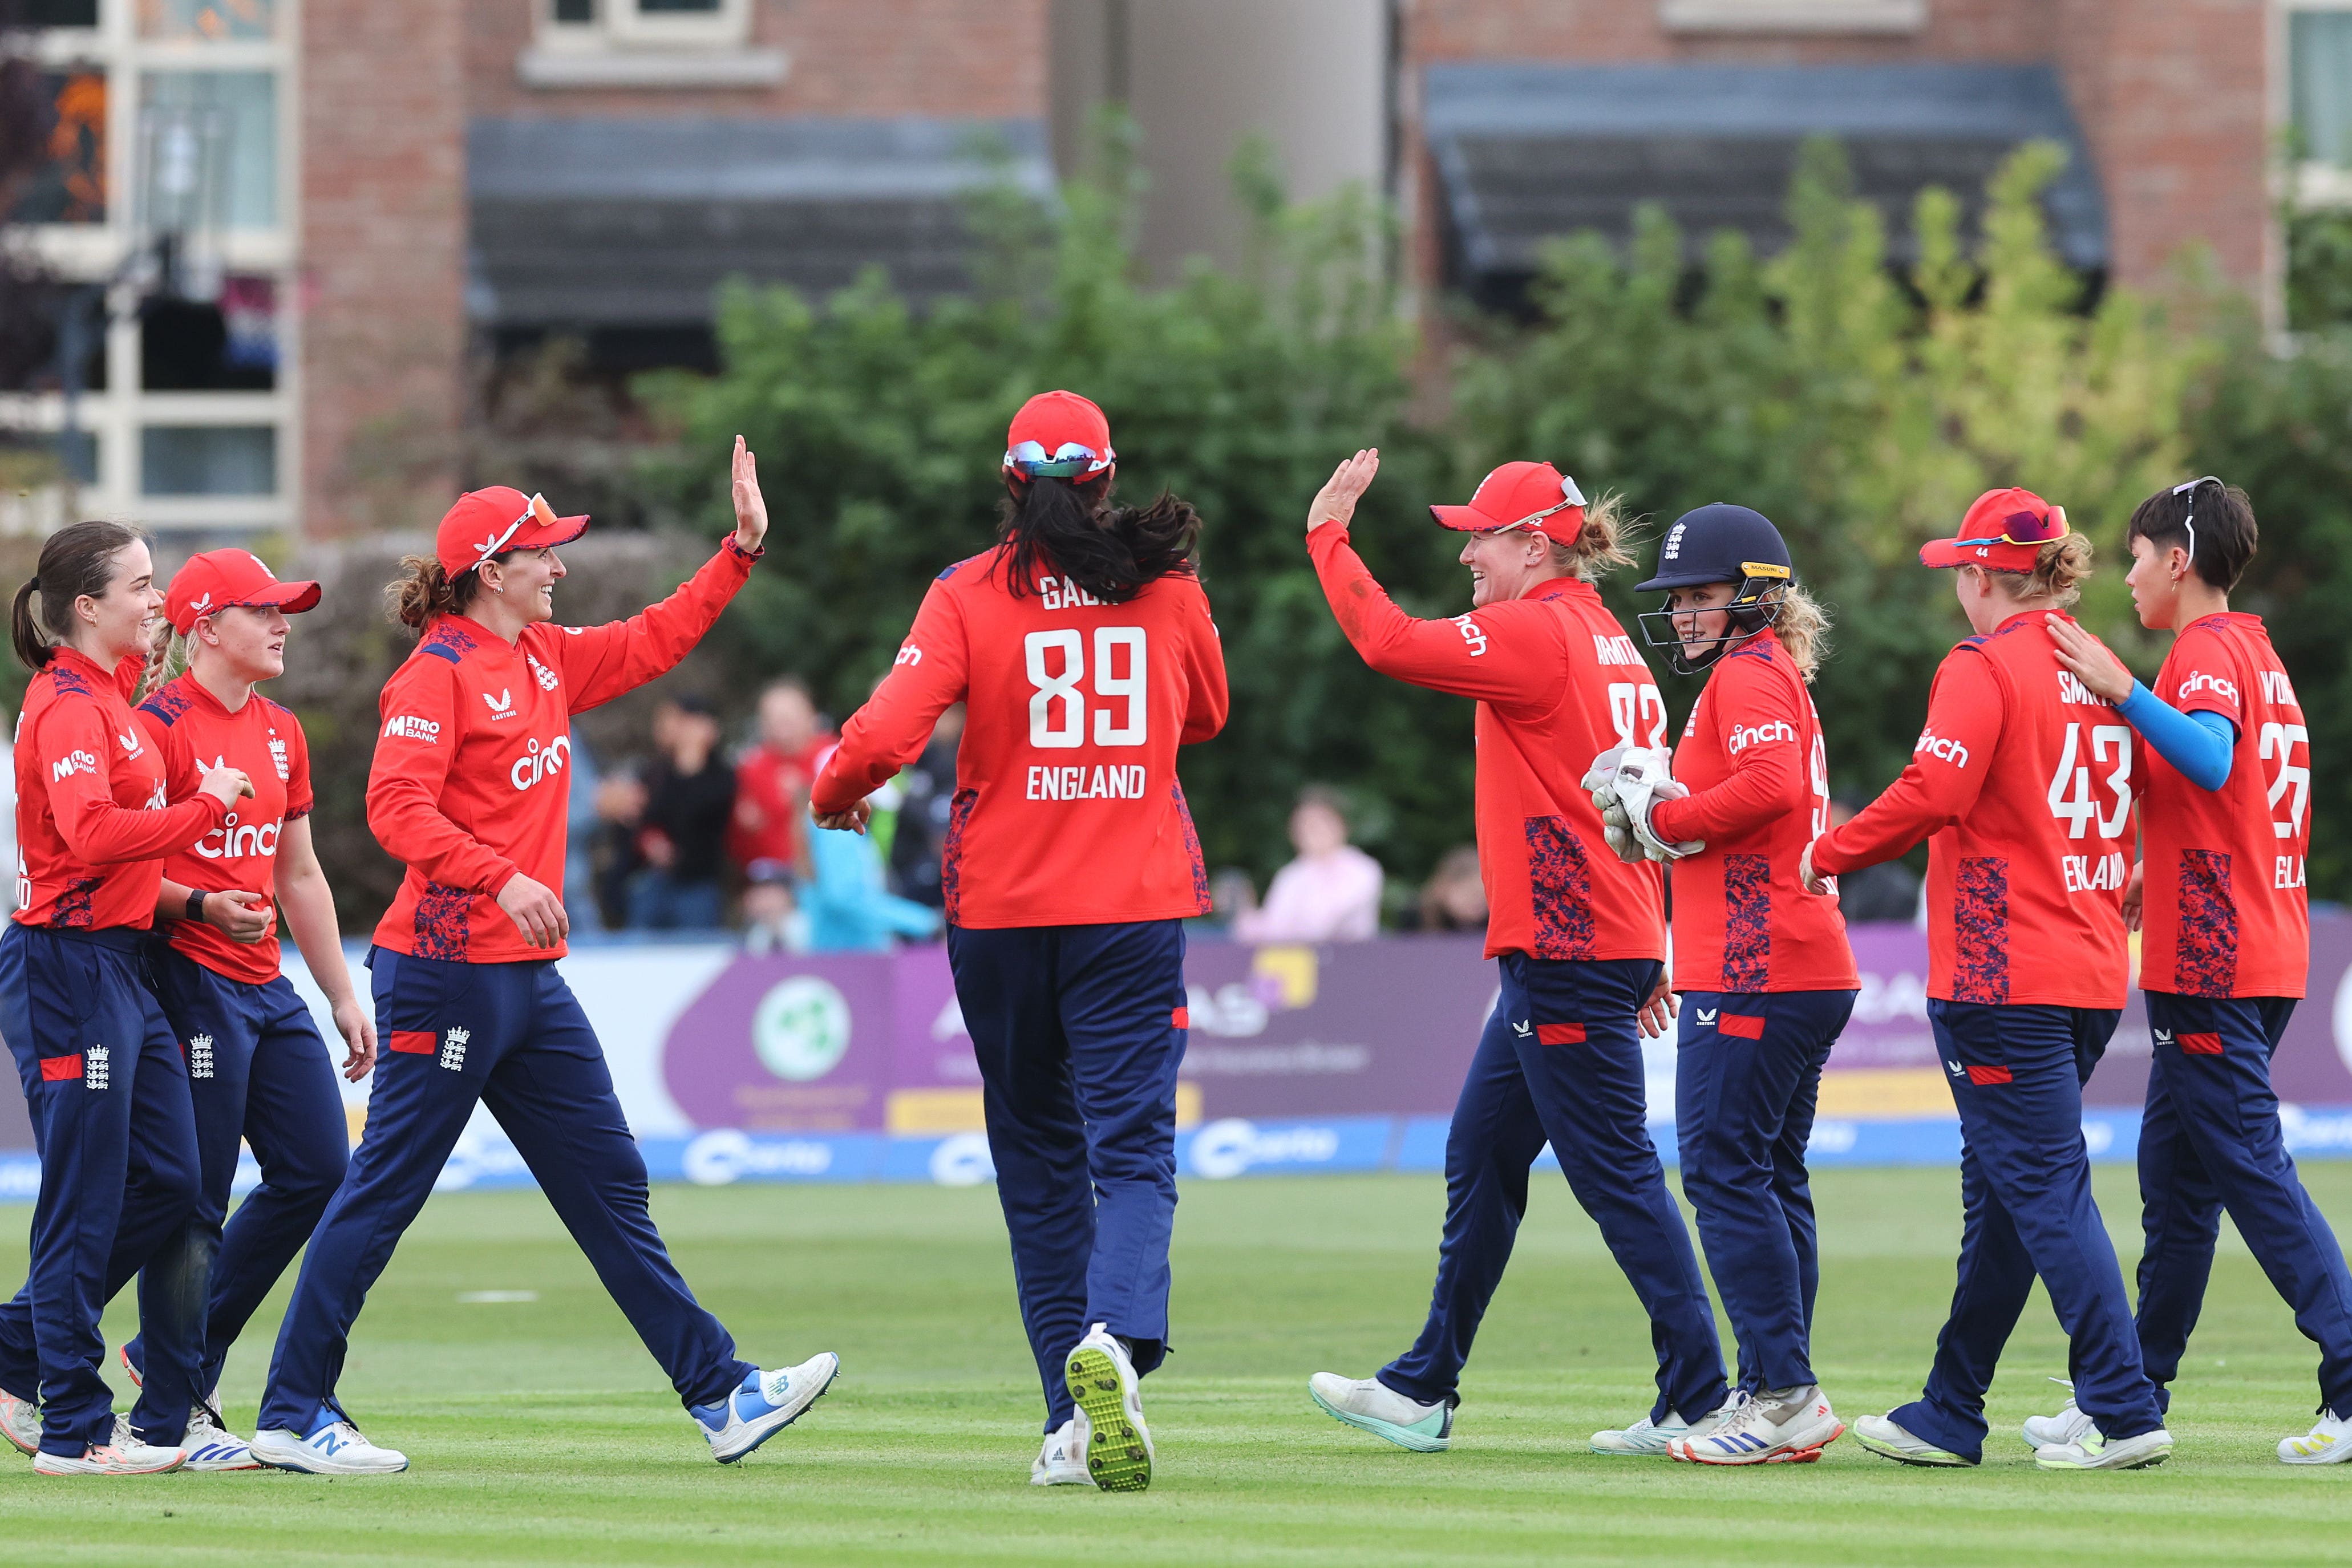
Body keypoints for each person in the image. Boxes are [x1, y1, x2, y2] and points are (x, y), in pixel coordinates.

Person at [250, 445, 837, 1475]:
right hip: (445, 968)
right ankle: (294, 1407)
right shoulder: (432, 675)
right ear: (490, 569)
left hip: (525, 975)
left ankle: (720, 1391)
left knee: (609, 1179)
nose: (559, 565)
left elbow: (657, 639)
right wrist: (499, 875)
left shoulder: (545, 656)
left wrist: (737, 552)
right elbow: (395, 807)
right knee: (385, 1187)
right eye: (542, 552)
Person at [809, 390, 1227, 1492]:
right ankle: (1115, 1340)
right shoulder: (1167, 590)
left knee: (1038, 1162)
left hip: (999, 914)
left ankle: (1064, 1416)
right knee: (1132, 1150)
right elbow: (1210, 713)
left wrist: (832, 790)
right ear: (1106, 477)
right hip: (1130, 907)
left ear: (1010, 481)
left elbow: (883, 735)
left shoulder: (964, 591)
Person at [1298, 452, 1730, 1460]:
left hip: (1567, 938)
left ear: (1534, 544)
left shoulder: (1538, 630)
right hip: (1595, 933)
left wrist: (1328, 532)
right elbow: (1634, 798)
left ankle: (1703, 1393)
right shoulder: (1606, 636)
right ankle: (1420, 1387)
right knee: (1483, 1154)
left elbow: (1387, 640)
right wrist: (1648, 940)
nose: (1464, 551)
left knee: (1613, 1168)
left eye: (1479, 535)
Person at [1802, 487, 2173, 1472]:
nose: (1957, 589)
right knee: (2007, 1193)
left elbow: (1935, 788)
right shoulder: (2097, 667)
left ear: (1978, 575)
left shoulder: (1982, 664)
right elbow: (2151, 785)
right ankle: (1949, 1407)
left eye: (1959, 573)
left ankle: (2122, 1404)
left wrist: (1829, 851)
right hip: (2091, 966)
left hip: (2001, 970)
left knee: (2039, 1187)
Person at [2039, 478, 2352, 1466]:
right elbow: (2240, 794)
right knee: (2175, 1189)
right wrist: (2153, 858)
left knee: (2249, 1171)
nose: (2126, 575)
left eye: (2134, 555)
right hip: (2255, 944)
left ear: (2178, 558)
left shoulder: (2203, 650)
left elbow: (2212, 759)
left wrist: (2115, 683)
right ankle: (2127, 1394)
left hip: (2213, 958)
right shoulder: (2254, 650)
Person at [95, 551, 378, 1474]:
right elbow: (118, 864)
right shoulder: (154, 728)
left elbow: (297, 870)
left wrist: (341, 991)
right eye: (266, 610)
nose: (284, 623)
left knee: (317, 1166)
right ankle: (165, 1416)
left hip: (264, 983)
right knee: (195, 1199)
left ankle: (169, 1364)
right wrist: (198, 904)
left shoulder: (283, 729)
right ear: (206, 624)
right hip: (185, 978)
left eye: (286, 609)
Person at [1594, 503, 1857, 1464]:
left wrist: (1664, 817)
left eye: (1701, 596)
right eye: (1680, 598)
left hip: (1756, 960)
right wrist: (1669, 802)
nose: (1685, 614)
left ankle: (1782, 1391)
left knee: (1720, 1170)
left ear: (1751, 595)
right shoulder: (1765, 672)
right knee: (1767, 1176)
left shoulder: (1748, 677)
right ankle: (1772, 1379)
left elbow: (1770, 788)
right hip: (1793, 956)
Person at [0, 519, 254, 1476]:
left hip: (118, 965)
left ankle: (17, 1345)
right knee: (82, 1197)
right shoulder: (66, 703)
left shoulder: (111, 699)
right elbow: (95, 831)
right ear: (88, 606)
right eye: (142, 585)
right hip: (68, 968)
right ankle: (71, 1429)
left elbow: (139, 812)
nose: (158, 602)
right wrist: (205, 806)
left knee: (176, 1177)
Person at [629, 694, 736, 930]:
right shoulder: (656, 772)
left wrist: (690, 765)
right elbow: (644, 819)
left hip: (699, 882)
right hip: (656, 880)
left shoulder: (723, 776)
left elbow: (700, 815)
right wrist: (651, 842)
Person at [1228, 787, 1384, 943]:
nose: (1313, 830)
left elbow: (1323, 924)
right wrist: (1247, 917)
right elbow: (1274, 927)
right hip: (1296, 962)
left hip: (1352, 961)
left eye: (1321, 822)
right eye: (1304, 824)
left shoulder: (1363, 870)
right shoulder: (1290, 875)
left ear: (1342, 825)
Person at [728, 678, 829, 890]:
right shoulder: (751, 766)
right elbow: (738, 838)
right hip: (770, 880)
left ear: (811, 716)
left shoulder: (833, 756)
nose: (781, 724)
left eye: (789, 716)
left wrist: (808, 794)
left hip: (826, 874)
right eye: (772, 717)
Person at [1402, 845, 1487, 935]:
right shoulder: (1415, 919)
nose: (1478, 903)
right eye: (1471, 894)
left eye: (1484, 897)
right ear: (1445, 887)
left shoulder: (1490, 924)